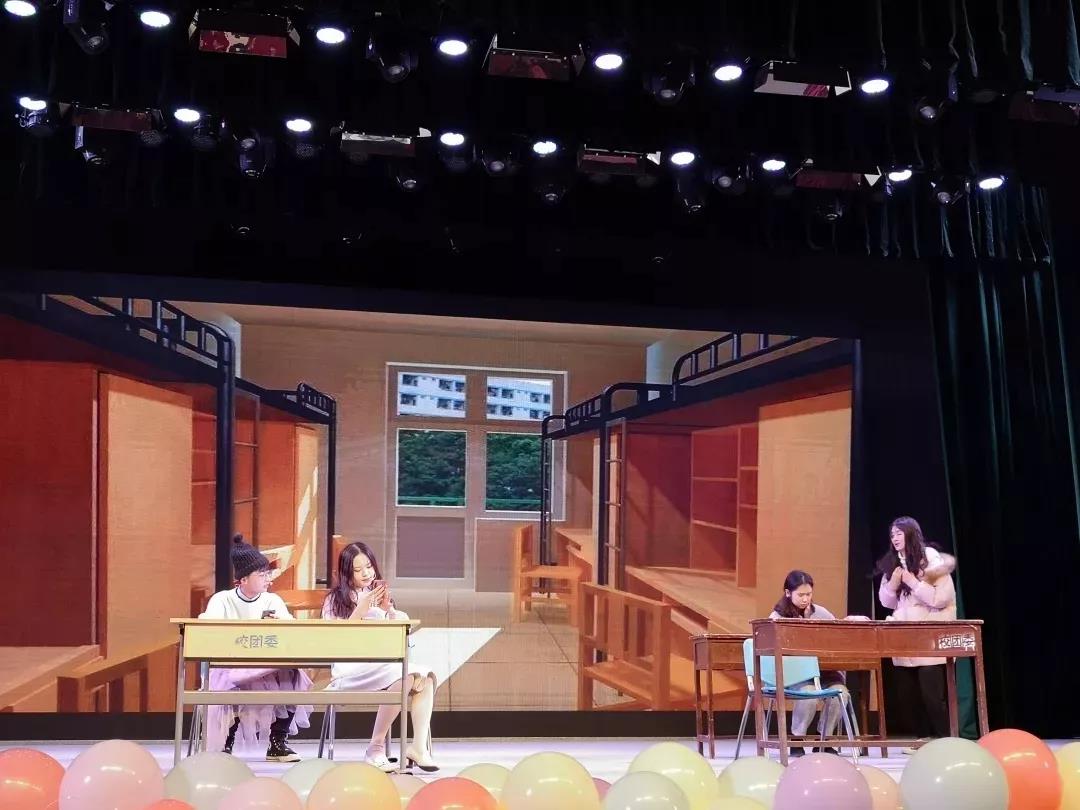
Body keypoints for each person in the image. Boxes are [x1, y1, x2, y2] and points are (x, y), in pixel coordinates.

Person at [321, 541, 440, 772]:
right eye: (358, 569)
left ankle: (418, 748)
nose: (366, 573)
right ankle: (375, 748)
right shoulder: (334, 600)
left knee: (424, 677)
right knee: (405, 675)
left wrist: (388, 611)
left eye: (369, 566)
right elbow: (336, 641)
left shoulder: (378, 596)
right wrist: (361, 609)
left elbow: (400, 638)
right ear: (346, 573)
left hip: (382, 666)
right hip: (350, 670)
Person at [199, 535, 312, 761]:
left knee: (294, 674)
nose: (268, 579)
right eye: (261, 574)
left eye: (268, 573)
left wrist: (279, 626)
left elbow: (291, 633)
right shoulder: (222, 600)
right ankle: (226, 743)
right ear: (243, 579)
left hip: (265, 664)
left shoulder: (272, 601)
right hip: (230, 665)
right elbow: (210, 634)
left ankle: (277, 743)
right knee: (234, 681)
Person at [876, 516, 957, 745]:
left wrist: (913, 582)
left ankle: (946, 741)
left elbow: (941, 598)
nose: (894, 538)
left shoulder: (929, 557)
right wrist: (893, 583)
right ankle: (923, 740)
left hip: (929, 637)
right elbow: (886, 602)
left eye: (899, 533)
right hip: (906, 639)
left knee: (932, 695)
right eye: (892, 535)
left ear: (911, 534)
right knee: (908, 696)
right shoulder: (894, 562)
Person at [767, 570, 849, 755]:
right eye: (801, 595)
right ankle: (796, 739)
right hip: (796, 675)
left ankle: (824, 740)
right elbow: (772, 651)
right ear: (788, 593)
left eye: (809, 594)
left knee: (841, 694)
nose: (805, 599)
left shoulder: (820, 613)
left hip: (824, 672)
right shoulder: (777, 617)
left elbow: (839, 632)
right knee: (809, 695)